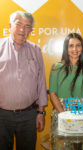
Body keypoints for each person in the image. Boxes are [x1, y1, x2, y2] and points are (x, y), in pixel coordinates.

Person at [0, 11, 48, 150]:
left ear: (31, 30)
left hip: (29, 115)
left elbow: (41, 82)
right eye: (19, 24)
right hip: (2, 116)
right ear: (10, 25)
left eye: (27, 26)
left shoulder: (36, 50)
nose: (22, 29)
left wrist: (40, 112)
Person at [49, 33, 83, 150]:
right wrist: (63, 115)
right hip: (61, 112)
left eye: (78, 45)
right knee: (61, 146)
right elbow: (53, 93)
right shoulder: (56, 68)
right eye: (71, 46)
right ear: (66, 48)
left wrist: (79, 114)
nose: (75, 49)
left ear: (82, 47)